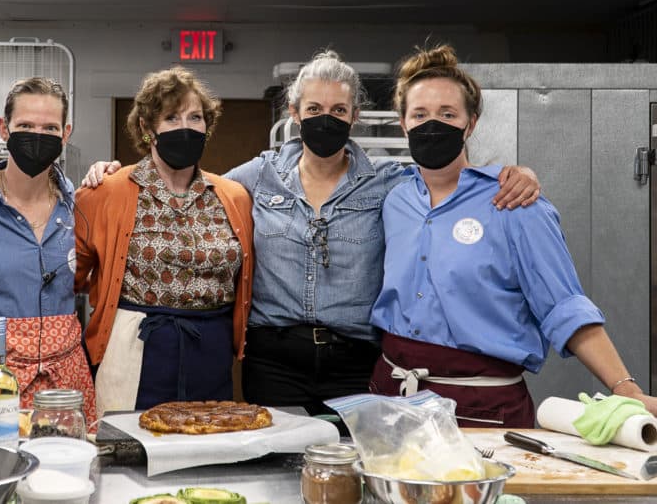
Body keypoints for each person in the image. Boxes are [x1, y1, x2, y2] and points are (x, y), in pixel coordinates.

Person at [83, 50, 540, 417]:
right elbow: (186, 186)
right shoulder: (255, 179)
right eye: (315, 108)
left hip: (355, 359)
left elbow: (445, 180)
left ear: (356, 114)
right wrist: (107, 172)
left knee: (346, 470)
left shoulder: (389, 182)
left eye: (339, 109)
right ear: (295, 112)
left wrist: (508, 174)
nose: (327, 118)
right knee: (277, 467)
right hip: (274, 359)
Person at [370, 43, 657, 424]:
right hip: (391, 397)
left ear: (470, 123)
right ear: (402, 122)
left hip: (478, 409)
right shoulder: (393, 199)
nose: (431, 124)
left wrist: (625, 388)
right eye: (419, 114)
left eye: (447, 113)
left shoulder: (515, 204)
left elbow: (563, 306)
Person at [74, 66, 254, 415]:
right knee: (130, 448)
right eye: (171, 118)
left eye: (195, 117)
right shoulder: (105, 192)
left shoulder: (234, 196)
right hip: (136, 349)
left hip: (211, 353)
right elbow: (70, 278)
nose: (185, 127)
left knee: (206, 449)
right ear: (147, 128)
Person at [0, 78, 97, 423]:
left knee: (69, 467)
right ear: (4, 128)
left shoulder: (82, 204)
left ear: (66, 134)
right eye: (25, 126)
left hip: (67, 375)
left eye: (50, 127)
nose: (37, 135)